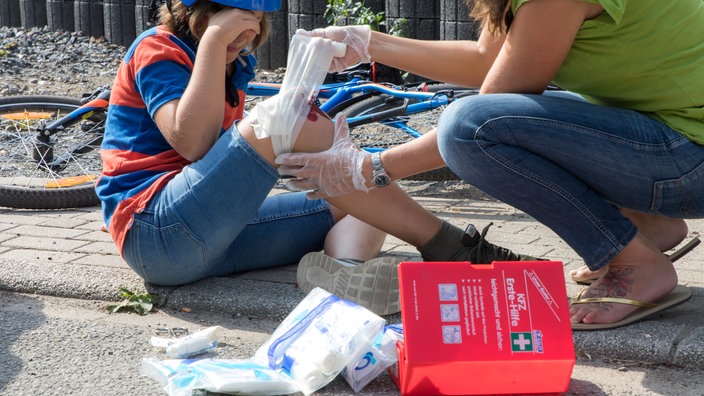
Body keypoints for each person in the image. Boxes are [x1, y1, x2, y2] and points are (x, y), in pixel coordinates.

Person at [276, 0, 704, 328]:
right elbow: (487, 61)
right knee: (511, 115)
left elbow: (482, 122)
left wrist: (371, 168)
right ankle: (644, 227)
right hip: (678, 139)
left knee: (468, 125)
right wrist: (368, 42)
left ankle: (637, 263)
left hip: (691, 158)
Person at [95, 0, 533, 316]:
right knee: (287, 117)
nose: (247, 33)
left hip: (216, 242)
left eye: (255, 21)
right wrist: (214, 40)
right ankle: (449, 246)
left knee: (359, 196)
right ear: (193, 9)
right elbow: (193, 143)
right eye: (233, 19)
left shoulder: (235, 65)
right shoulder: (158, 48)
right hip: (156, 234)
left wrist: (333, 164)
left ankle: (345, 273)